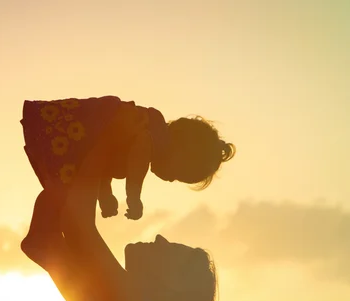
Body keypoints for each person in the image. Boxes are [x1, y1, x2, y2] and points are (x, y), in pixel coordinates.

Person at [21, 130, 221, 301]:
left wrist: (98, 150)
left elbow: (77, 226)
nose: (161, 238)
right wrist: (63, 175)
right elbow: (43, 243)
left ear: (173, 286)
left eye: (172, 250)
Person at [20, 96, 235, 264]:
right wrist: (133, 197)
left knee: (66, 193)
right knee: (73, 202)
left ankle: (47, 234)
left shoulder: (146, 135)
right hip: (81, 132)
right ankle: (47, 240)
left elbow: (103, 163)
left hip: (85, 146)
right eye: (177, 173)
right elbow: (133, 160)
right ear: (180, 149)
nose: (170, 180)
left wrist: (106, 196)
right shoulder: (150, 137)